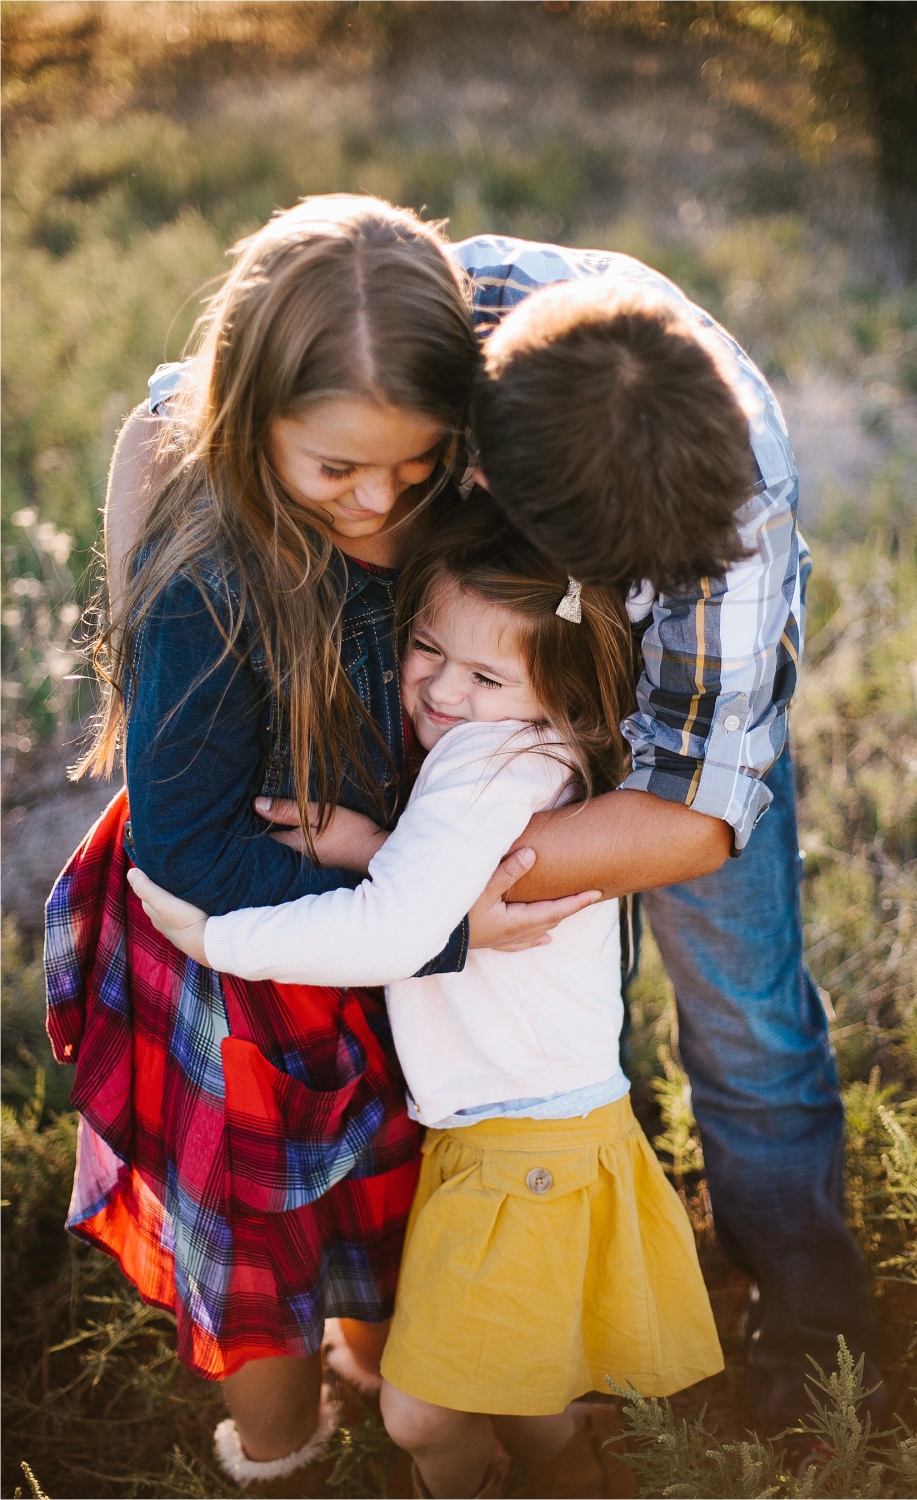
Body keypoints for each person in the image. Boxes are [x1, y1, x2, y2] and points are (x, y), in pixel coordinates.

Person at [104, 213, 881, 1438]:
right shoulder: (419, 323)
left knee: (746, 1013)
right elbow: (166, 416)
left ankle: (808, 1320)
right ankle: (550, 1256)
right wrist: (145, 656)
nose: (380, 504)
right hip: (462, 692)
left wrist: (435, 895)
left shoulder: (733, 511)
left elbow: (698, 818)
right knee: (504, 1014)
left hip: (673, 735)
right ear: (477, 446)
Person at [46, 197, 604, 1497]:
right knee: (262, 1244)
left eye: (412, 465)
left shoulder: (433, 500)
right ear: (252, 424)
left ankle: (385, 1368)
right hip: (239, 960)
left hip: (370, 922)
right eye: (338, 470)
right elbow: (189, 861)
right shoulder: (213, 580)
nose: (378, 499)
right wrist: (424, 910)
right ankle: (285, 1455)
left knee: (384, 1185)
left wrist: (407, 885)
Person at [129, 499, 726, 1500]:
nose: (442, 690)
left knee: (420, 1412)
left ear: (563, 700)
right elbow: (438, 879)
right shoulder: (525, 749)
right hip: (536, 1133)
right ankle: (572, 1477)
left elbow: (399, 932)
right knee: (524, 1388)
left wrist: (219, 936)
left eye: (484, 675)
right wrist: (367, 848)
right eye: (426, 649)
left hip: (520, 1153)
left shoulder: (479, 763)